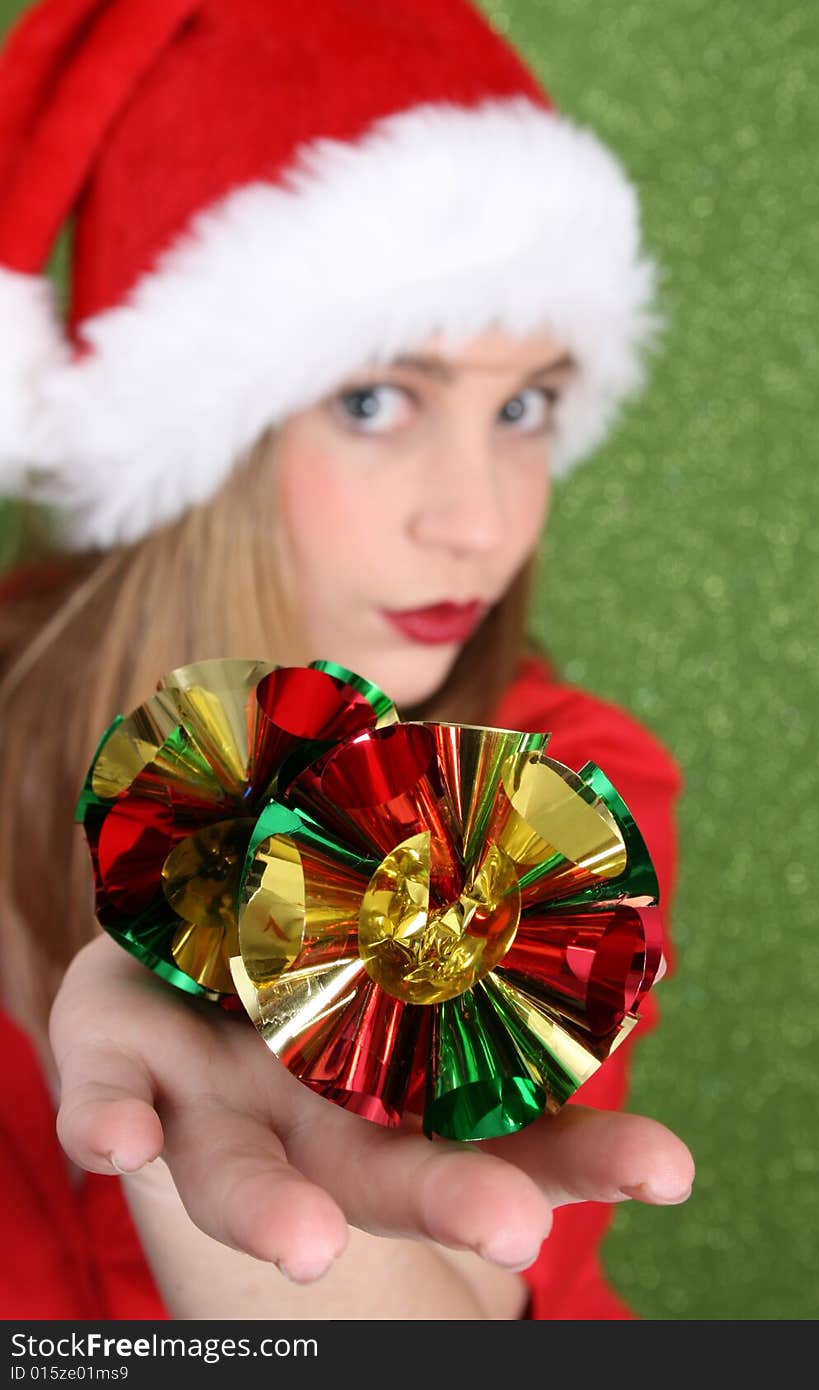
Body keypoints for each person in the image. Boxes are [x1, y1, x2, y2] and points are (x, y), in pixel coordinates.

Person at [0, 0, 694, 1320]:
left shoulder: (558, 793)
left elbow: (451, 1306)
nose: (480, 519)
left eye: (526, 405)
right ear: (200, 438)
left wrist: (179, 1144)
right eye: (375, 399)